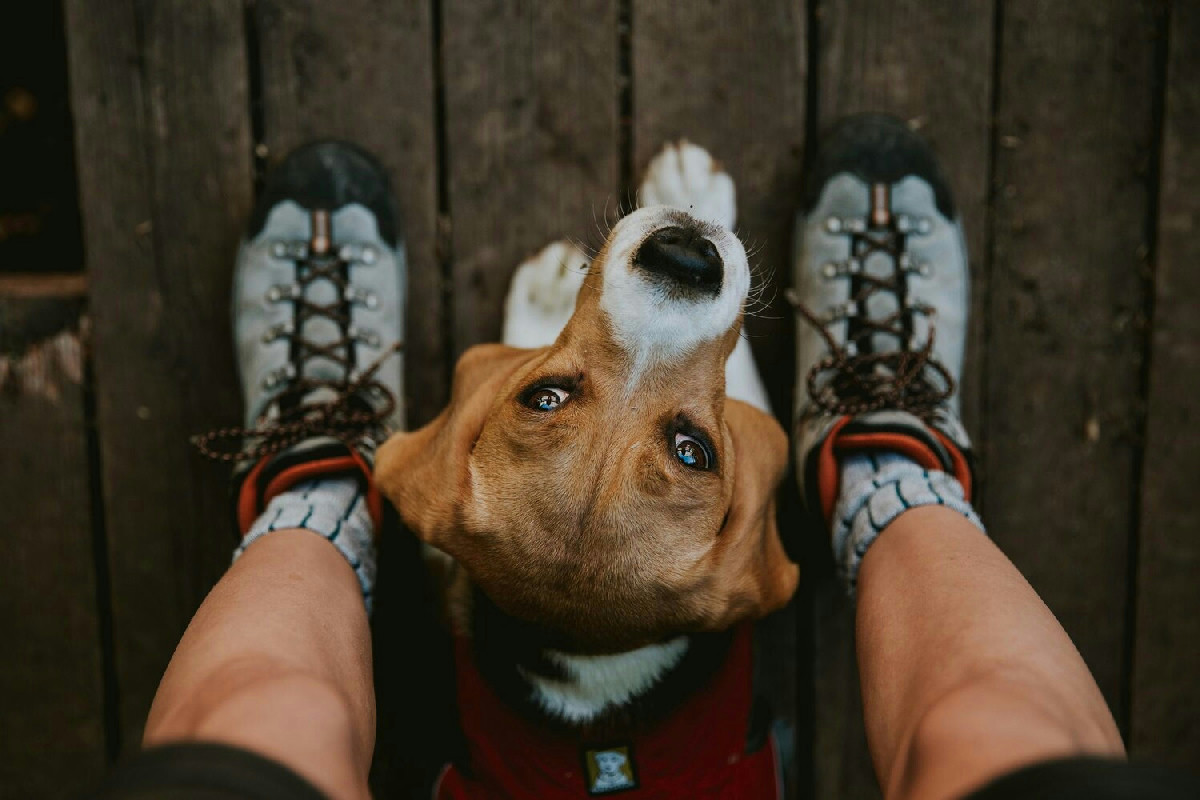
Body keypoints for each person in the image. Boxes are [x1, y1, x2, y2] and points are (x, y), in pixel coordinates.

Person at [92, 124, 1197, 800]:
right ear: (739, 565)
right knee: (999, 738)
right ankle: (883, 470)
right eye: (690, 444)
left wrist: (546, 401)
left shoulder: (458, 478)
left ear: (447, 436)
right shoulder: (731, 573)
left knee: (257, 728)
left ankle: (320, 491)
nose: (667, 289)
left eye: (547, 392)